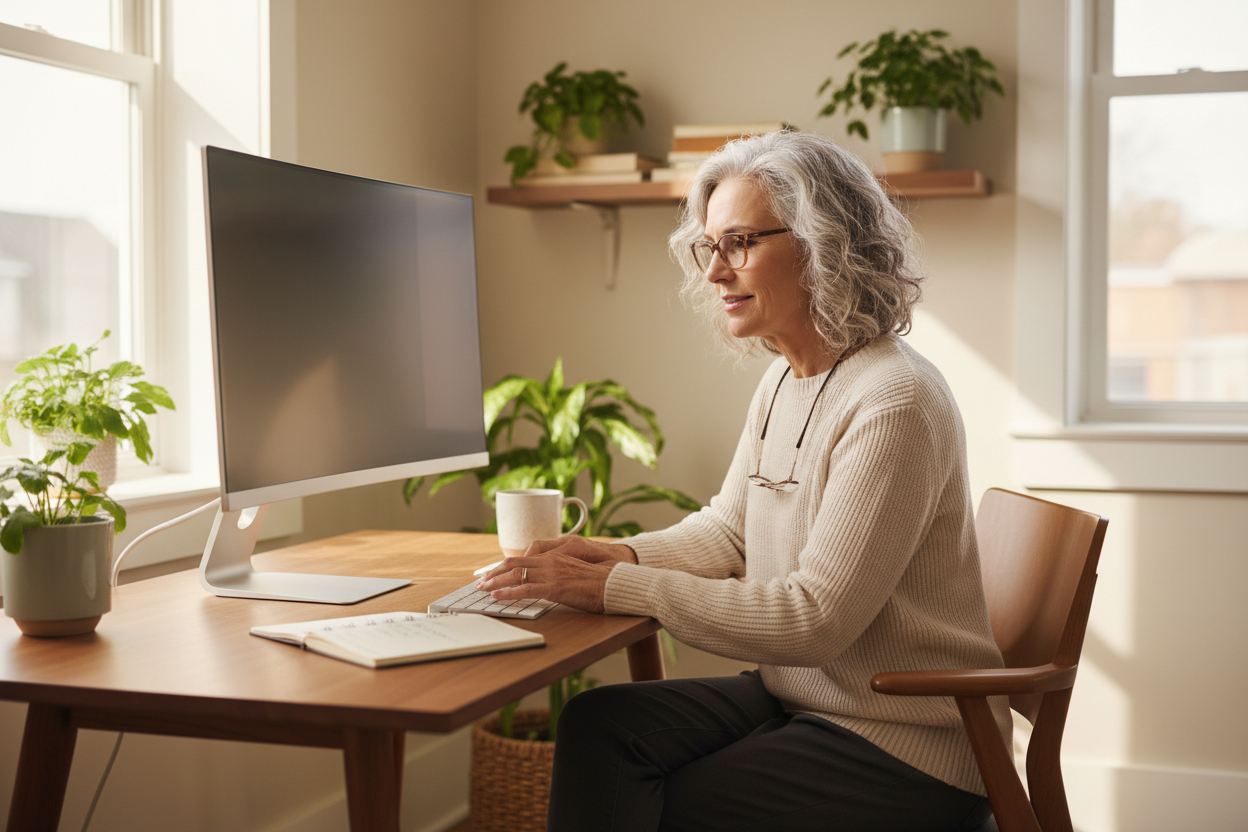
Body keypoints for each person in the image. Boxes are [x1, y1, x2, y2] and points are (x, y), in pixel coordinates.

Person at [476, 130, 1009, 832]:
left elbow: (813, 620)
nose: (715, 272)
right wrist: (619, 556)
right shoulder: (788, 376)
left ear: (826, 245)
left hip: (905, 740)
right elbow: (729, 528)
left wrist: (614, 589)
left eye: (741, 244)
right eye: (710, 247)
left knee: (667, 802)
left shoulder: (894, 401)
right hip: (807, 699)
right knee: (599, 724)